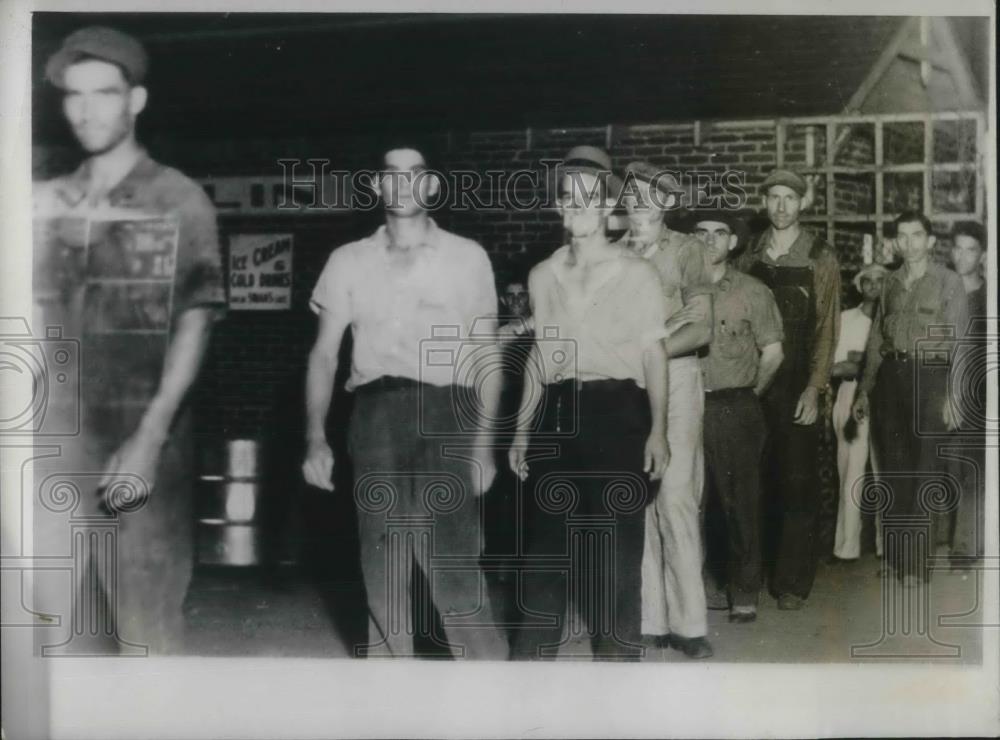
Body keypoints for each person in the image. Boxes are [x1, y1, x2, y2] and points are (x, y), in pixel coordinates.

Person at [33, 27, 226, 654]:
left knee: (144, 631)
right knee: (52, 632)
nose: (87, 109)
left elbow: (197, 320)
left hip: (142, 436)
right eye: (74, 95)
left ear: (135, 101)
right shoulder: (46, 202)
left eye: (105, 93)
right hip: (55, 438)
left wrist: (148, 439)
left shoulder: (178, 199)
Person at [302, 145, 508, 659]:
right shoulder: (348, 260)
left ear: (432, 187)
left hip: (447, 414)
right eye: (390, 176)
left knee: (454, 563)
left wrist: (483, 448)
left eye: (414, 175)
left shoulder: (468, 257)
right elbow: (325, 355)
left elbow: (487, 357)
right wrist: (314, 438)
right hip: (375, 416)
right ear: (377, 188)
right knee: (382, 562)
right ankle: (390, 691)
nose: (401, 185)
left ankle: (495, 689)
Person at [508, 146, 670, 661]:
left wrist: (659, 430)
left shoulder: (638, 274)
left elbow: (655, 354)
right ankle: (530, 670)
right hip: (558, 412)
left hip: (618, 414)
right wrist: (520, 429)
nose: (574, 206)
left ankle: (618, 668)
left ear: (606, 207)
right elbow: (539, 356)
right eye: (565, 197)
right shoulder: (541, 275)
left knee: (616, 554)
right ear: (558, 207)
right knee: (546, 551)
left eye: (586, 197)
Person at [619, 161, 715, 658]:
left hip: (676, 378)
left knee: (674, 493)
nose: (639, 201)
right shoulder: (610, 254)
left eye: (651, 195)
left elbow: (699, 329)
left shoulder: (689, 250)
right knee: (638, 494)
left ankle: (689, 623)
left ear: (668, 203)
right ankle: (649, 618)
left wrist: (645, 349)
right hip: (626, 384)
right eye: (632, 193)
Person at [734, 168, 841, 611]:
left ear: (802, 203)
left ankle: (792, 583)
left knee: (796, 481)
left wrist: (814, 389)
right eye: (773, 197)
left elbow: (826, 331)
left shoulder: (820, 255)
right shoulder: (749, 254)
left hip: (797, 383)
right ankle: (750, 576)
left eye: (789, 198)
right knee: (753, 483)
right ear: (765, 202)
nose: (781, 206)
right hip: (755, 382)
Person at [853, 212, 969, 587]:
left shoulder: (948, 282)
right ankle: (897, 556)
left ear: (930, 241)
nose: (909, 243)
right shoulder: (888, 283)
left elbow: (963, 344)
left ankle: (916, 565)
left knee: (924, 472)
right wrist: (864, 390)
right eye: (902, 237)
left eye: (917, 235)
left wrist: (955, 394)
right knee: (894, 470)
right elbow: (875, 341)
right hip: (892, 378)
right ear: (895, 243)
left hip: (932, 378)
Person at [692, 211, 784, 624]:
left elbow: (774, 352)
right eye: (701, 233)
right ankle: (700, 587)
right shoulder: (676, 289)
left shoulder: (752, 291)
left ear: (733, 242)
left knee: (739, 503)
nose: (710, 241)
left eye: (719, 233)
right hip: (685, 405)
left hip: (734, 406)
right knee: (691, 502)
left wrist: (748, 394)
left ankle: (744, 590)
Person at [830, 263, 888, 562]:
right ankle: (846, 546)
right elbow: (837, 366)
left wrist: (862, 361)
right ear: (859, 285)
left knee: (885, 473)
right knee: (850, 471)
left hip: (885, 398)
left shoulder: (892, 319)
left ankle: (885, 546)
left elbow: (885, 366)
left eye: (881, 281)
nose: (875, 287)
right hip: (849, 394)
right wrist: (865, 364)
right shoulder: (845, 319)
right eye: (869, 282)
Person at [949, 221, 987, 568]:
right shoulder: (941, 290)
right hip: (937, 388)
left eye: (970, 249)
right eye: (957, 248)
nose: (962, 256)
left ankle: (965, 548)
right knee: (941, 469)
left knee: (973, 472)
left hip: (979, 394)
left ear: (983, 254)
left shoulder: (989, 297)